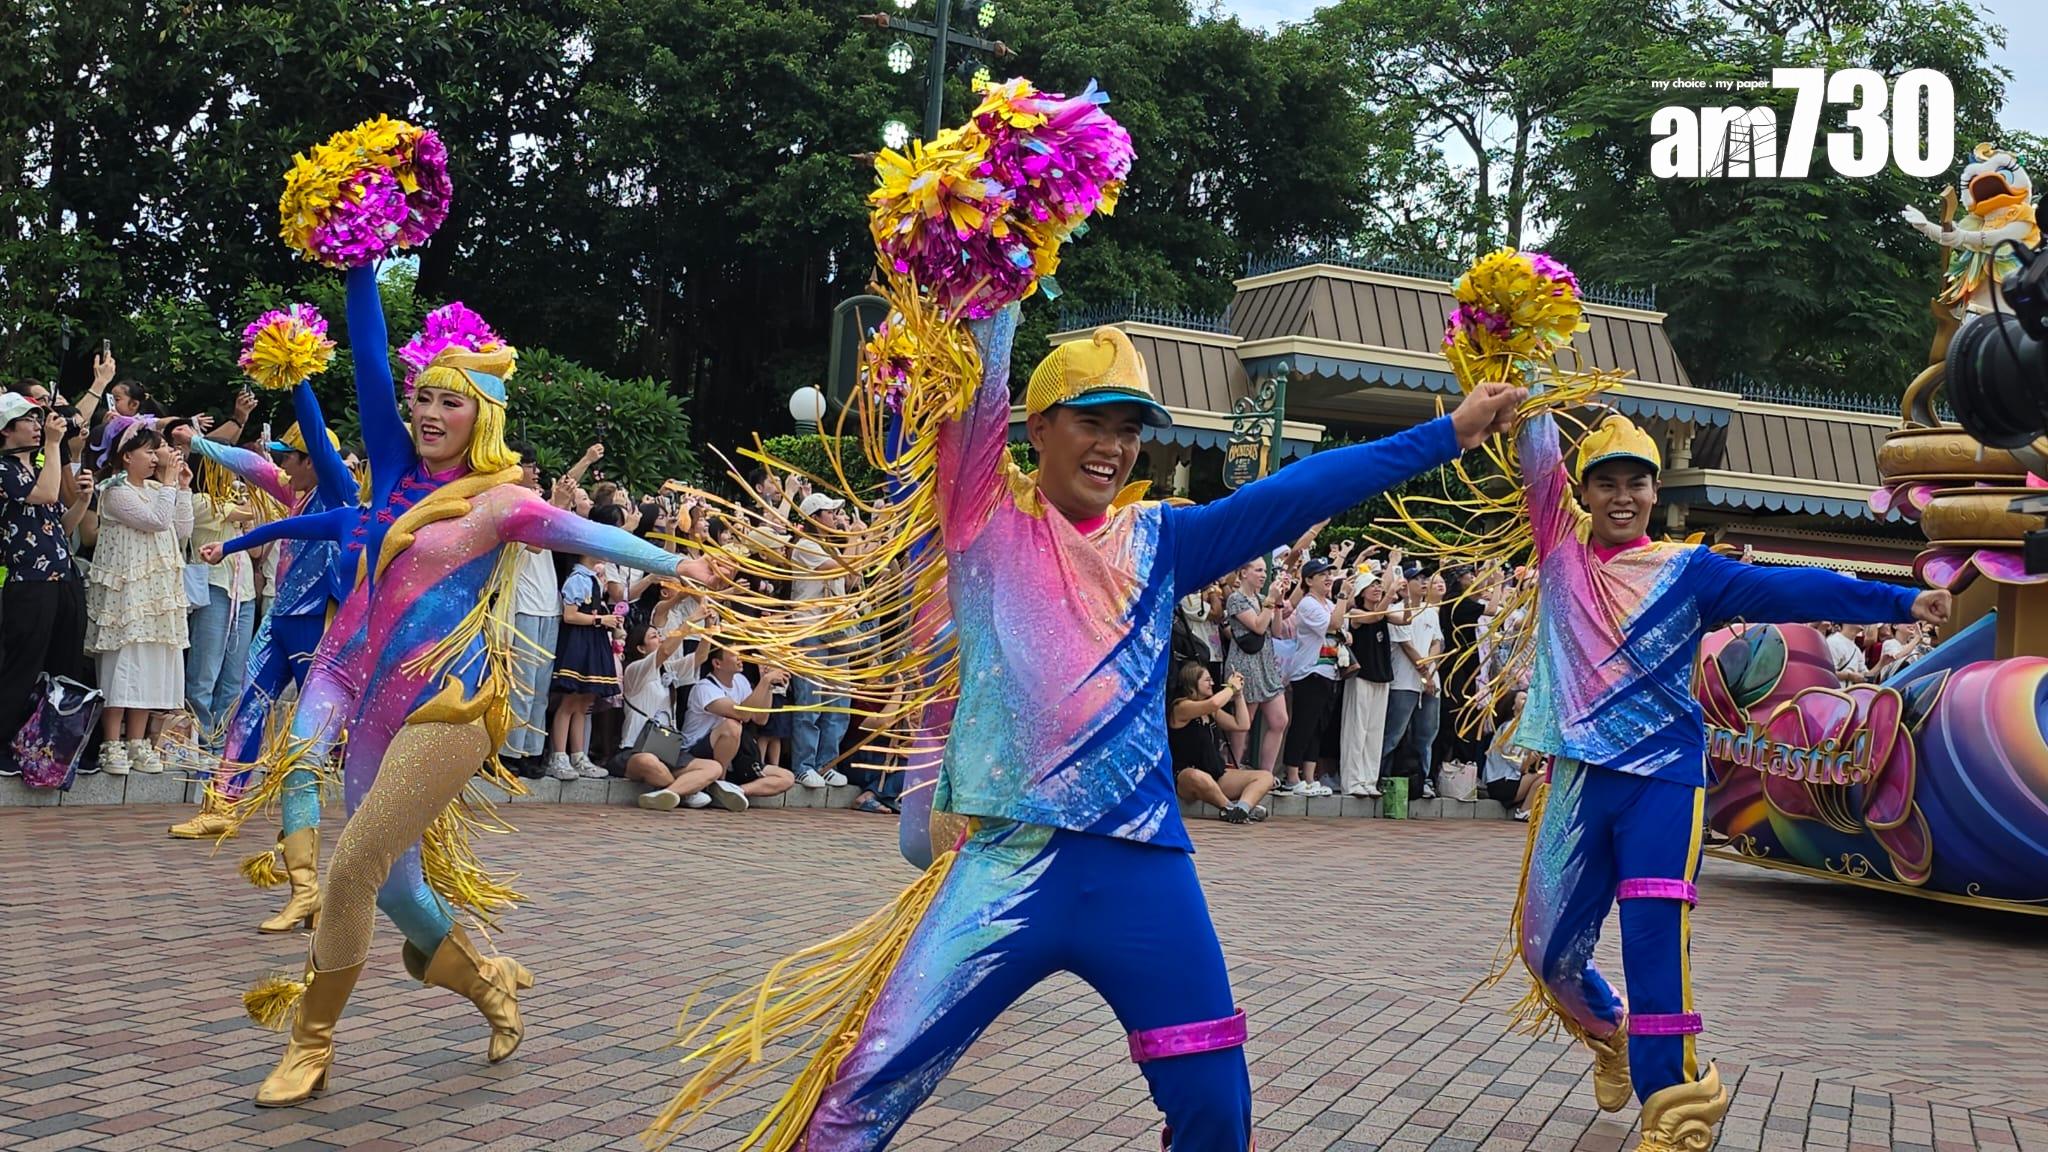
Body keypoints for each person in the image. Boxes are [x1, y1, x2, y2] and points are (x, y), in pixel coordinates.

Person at [653, 309, 1525, 1150]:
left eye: (1130, 429)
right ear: (1037, 427)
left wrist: (1445, 433)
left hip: (1141, 866)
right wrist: (999, 265)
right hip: (1004, 864)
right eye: (1092, 422)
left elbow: (1295, 492)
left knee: (1217, 1107)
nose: (1114, 445)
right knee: (855, 1101)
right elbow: (979, 391)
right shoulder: (982, 517)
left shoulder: (1161, 540)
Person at [227, 261, 721, 1107]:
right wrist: (360, 261)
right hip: (365, 698)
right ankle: (488, 983)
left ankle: (311, 1043)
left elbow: (588, 532)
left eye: (450, 402)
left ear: (483, 415)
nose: (428, 412)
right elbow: (369, 357)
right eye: (423, 398)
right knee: (396, 887)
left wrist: (678, 562)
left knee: (353, 870)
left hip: (447, 711)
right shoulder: (390, 471)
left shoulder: (500, 505)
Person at [1489, 405, 1950, 1152]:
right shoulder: (1561, 549)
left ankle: (1675, 1107)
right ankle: (1610, 1032)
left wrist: (1899, 600)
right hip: (1577, 782)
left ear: (1654, 491)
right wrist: (1526, 378)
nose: (1622, 497)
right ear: (1583, 493)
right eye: (1605, 483)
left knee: (1652, 941)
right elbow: (1537, 455)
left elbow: (1791, 589)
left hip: (1665, 784)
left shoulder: (1687, 570)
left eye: (1636, 483)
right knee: (1547, 952)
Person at [175, 387, 359, 941]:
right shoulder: (295, 492)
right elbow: (251, 465)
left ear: (311, 461)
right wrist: (199, 444)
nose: (282, 467)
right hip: (281, 619)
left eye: (290, 458)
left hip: (318, 626)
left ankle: (336, 839)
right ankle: (224, 802)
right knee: (247, 706)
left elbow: (316, 446)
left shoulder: (336, 489)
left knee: (312, 740)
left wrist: (298, 378)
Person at [84, 427, 194, 775]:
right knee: (123, 662)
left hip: (156, 594)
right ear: (126, 455)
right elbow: (156, 521)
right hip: (128, 594)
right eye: (148, 451)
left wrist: (182, 488)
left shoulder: (158, 490)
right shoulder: (115, 491)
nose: (155, 458)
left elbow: (182, 530)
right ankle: (111, 742)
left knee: (150, 663)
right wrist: (170, 483)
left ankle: (137, 742)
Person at [0, 395, 91, 774]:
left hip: (63, 576)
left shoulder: (39, 466)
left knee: (64, 664)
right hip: (29, 581)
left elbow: (61, 526)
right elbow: (45, 495)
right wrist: (54, 445)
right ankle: (3, 743)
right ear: (6, 430)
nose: (38, 426)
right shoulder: (3, 468)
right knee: (23, 664)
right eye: (29, 420)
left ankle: (54, 748)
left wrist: (83, 500)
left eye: (40, 420)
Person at [545, 549, 622, 781]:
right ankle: (559, 756)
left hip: (593, 641)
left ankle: (578, 755)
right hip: (580, 642)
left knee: (584, 702)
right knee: (570, 701)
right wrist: (600, 619)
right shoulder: (578, 578)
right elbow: (570, 615)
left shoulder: (593, 578)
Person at [1169, 662, 1273, 823]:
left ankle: (1242, 809)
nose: (1212, 683)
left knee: (1265, 777)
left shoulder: (1211, 712)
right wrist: (1230, 687)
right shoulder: (1181, 707)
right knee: (1197, 776)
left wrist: (1238, 695)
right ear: (1192, 683)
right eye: (1207, 680)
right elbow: (1214, 703)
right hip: (1186, 777)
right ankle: (1229, 808)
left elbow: (1242, 725)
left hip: (1215, 774)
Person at [1338, 556, 1403, 798]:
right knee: (1357, 730)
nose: (1377, 589)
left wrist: (1411, 596)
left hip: (1382, 676)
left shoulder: (1385, 613)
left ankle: (1369, 780)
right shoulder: (1355, 612)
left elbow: (1406, 618)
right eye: (1371, 585)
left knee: (1375, 732)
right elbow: (1373, 617)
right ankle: (1352, 781)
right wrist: (1391, 591)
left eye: (1379, 585)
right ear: (1361, 591)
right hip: (1361, 676)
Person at [1279, 556, 1342, 796]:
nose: (1328, 578)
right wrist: (1344, 596)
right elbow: (1335, 625)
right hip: (1309, 671)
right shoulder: (1307, 604)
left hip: (1329, 670)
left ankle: (1308, 776)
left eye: (1329, 574)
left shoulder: (1329, 603)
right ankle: (1291, 776)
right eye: (1322, 574)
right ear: (1308, 580)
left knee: (1317, 727)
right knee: (1303, 725)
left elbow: (1344, 630)